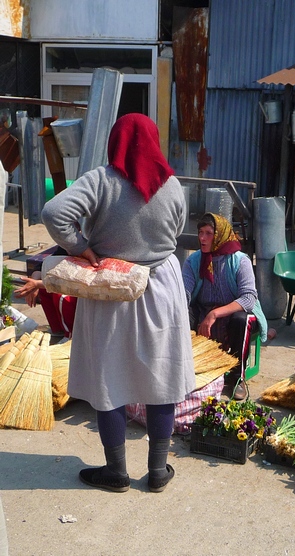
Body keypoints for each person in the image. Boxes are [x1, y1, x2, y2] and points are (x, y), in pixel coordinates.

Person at [41, 113, 195, 493]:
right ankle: (158, 471)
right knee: (164, 376)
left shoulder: (101, 181)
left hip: (111, 287)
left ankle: (116, 471)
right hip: (161, 288)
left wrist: (81, 247)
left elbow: (53, 212)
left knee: (107, 377)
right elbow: (175, 232)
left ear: (116, 141)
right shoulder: (173, 185)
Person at [182, 213, 270, 400]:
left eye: (209, 233)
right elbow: (185, 294)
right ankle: (191, 368)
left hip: (234, 312)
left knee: (242, 320)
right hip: (204, 311)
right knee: (182, 313)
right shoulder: (194, 261)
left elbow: (248, 298)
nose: (202, 238)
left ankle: (238, 377)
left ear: (220, 235)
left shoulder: (239, 261)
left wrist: (214, 314)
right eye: (200, 232)